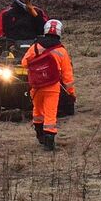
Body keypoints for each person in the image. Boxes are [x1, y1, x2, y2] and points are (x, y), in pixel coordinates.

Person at [23, 18, 77, 151]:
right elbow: (67, 75)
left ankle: (39, 134)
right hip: (52, 87)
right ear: (59, 32)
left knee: (37, 111)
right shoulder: (61, 51)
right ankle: (49, 142)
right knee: (50, 113)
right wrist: (71, 93)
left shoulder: (35, 47)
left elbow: (24, 63)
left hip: (36, 86)